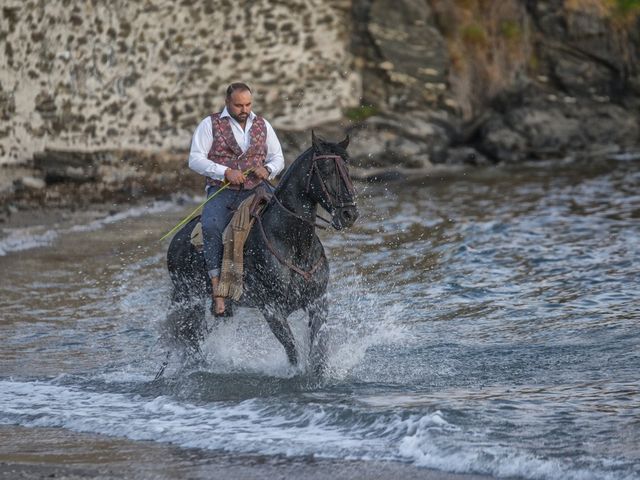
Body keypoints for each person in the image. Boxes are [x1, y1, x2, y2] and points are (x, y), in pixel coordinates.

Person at [188, 82, 285, 316]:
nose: (244, 109)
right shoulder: (209, 124)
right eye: (239, 105)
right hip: (224, 191)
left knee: (286, 216)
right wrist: (224, 172)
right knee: (211, 227)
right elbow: (195, 159)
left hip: (258, 189)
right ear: (227, 102)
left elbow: (278, 157)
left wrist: (269, 170)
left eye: (248, 104)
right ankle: (217, 290)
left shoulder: (263, 124)